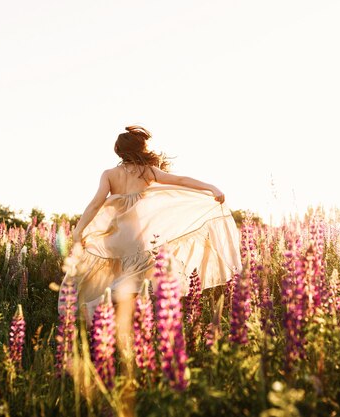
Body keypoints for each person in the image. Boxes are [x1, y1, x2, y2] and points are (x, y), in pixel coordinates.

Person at [59, 126, 242, 329]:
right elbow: (181, 180)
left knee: (131, 278)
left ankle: (115, 319)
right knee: (137, 279)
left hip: (117, 235)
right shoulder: (147, 172)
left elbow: (95, 203)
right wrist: (211, 187)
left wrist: (79, 230)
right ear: (140, 149)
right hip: (138, 235)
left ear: (119, 151)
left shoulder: (109, 174)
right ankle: (103, 309)